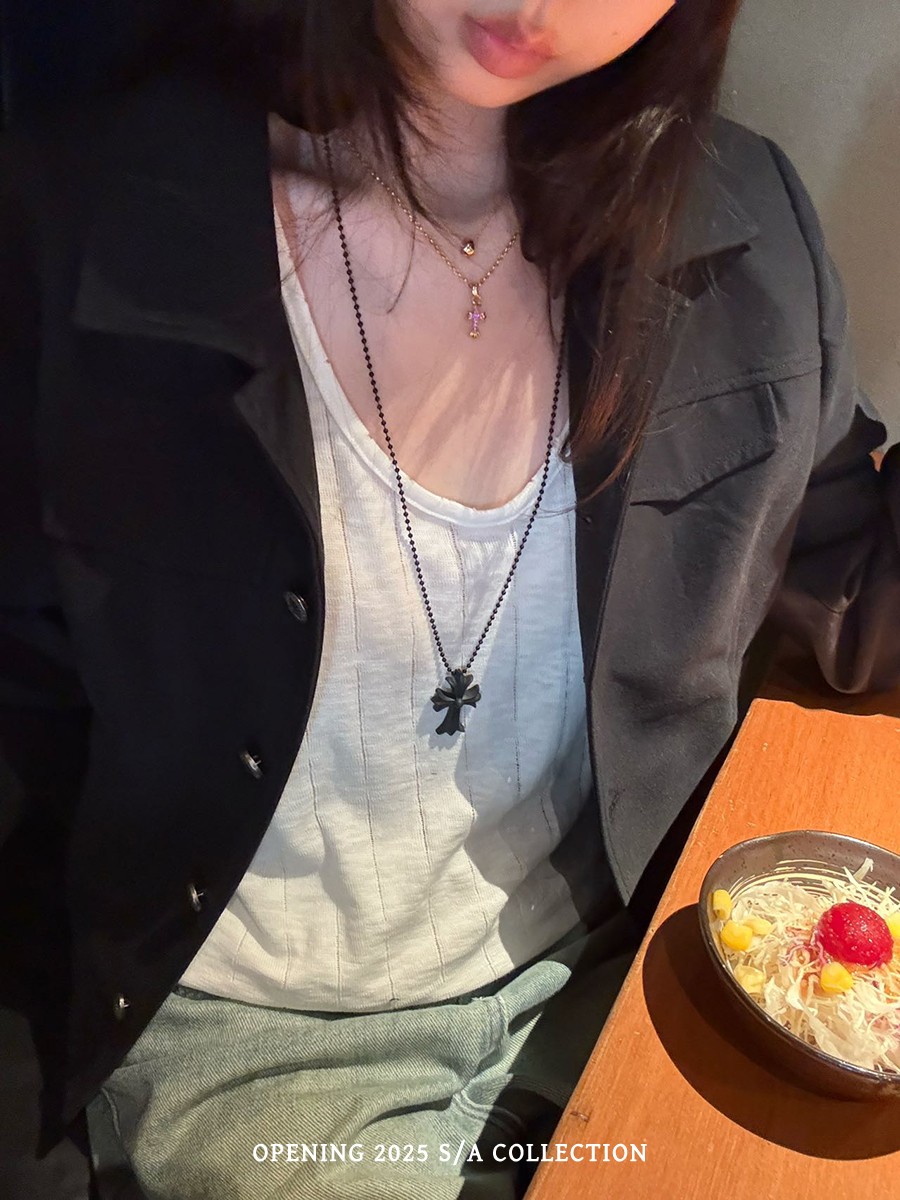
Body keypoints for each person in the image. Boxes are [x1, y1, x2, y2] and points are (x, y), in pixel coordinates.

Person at [1, 1, 899, 1197]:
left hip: (631, 962)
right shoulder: (78, 218)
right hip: (267, 1047)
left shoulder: (748, 224)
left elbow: (856, 597)